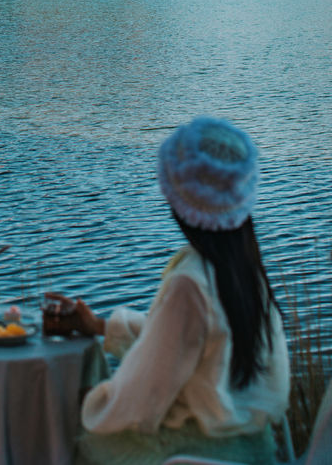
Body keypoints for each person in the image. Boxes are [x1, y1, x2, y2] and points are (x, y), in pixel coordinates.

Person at [69, 116, 290, 465]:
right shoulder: (243, 269)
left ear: (177, 200)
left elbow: (142, 397)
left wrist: (90, 402)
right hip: (252, 447)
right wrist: (100, 326)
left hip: (194, 452)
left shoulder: (190, 283)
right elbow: (195, 342)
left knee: (68, 428)